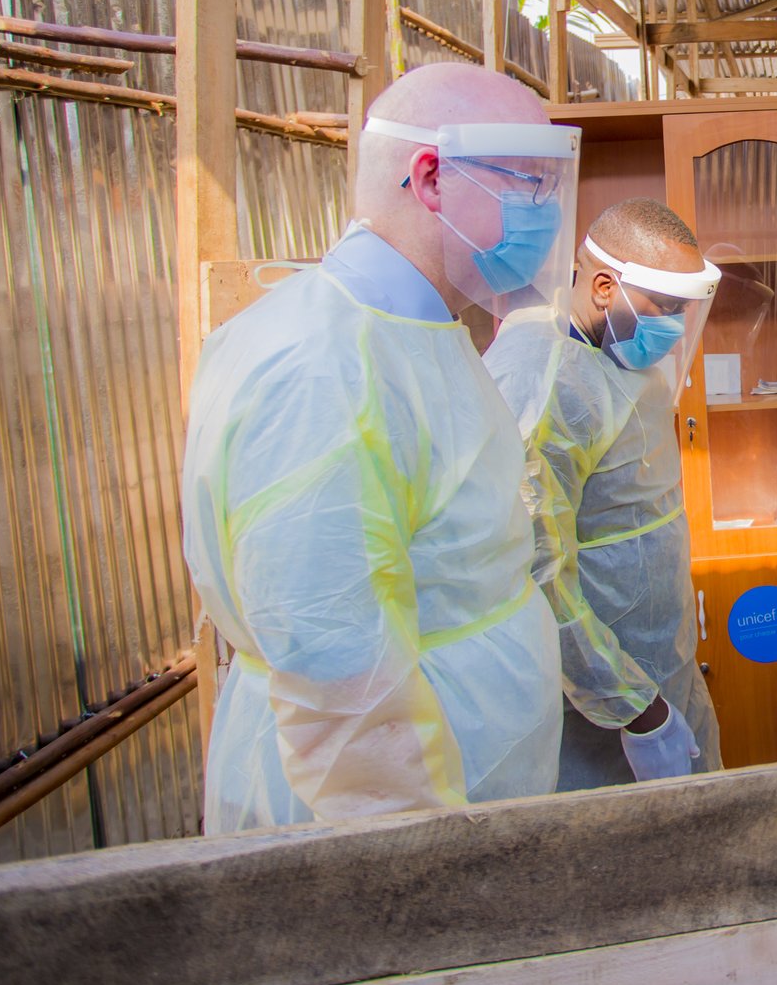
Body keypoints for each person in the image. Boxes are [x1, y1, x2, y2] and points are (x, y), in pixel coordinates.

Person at [181, 64, 578, 833]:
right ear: (429, 178)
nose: (549, 211)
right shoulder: (324, 369)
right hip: (395, 835)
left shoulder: (413, 330)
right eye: (530, 183)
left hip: (468, 801)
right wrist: (423, 861)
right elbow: (339, 681)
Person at [484, 199, 724, 787]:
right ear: (602, 287)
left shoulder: (613, 353)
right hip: (596, 705)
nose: (675, 327)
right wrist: (632, 706)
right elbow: (537, 570)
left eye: (683, 310)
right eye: (665, 307)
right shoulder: (546, 382)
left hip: (660, 668)